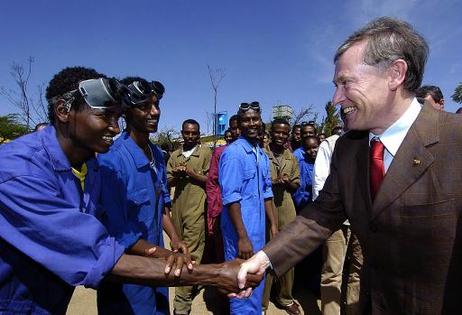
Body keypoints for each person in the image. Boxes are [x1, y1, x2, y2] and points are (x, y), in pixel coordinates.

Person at [238, 17, 462, 314]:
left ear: (395, 74)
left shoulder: (454, 140)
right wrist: (264, 259)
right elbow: (320, 215)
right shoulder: (348, 148)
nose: (336, 98)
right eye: (335, 85)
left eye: (346, 83)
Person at [0, 66, 258, 315]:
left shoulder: (90, 164)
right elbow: (100, 251)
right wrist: (215, 273)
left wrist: (173, 245)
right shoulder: (19, 171)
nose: (114, 127)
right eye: (105, 116)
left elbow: (159, 204)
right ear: (63, 111)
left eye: (116, 117)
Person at [96, 77, 188, 314]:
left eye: (156, 105)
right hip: (127, 273)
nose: (155, 112)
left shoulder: (157, 154)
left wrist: (175, 240)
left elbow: (162, 204)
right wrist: (164, 253)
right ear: (126, 111)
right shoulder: (111, 160)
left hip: (157, 263)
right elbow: (117, 232)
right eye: (145, 106)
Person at [219, 101, 278, 314]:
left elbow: (267, 193)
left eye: (255, 119)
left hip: (259, 232)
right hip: (240, 233)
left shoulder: (260, 153)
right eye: (246, 120)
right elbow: (231, 198)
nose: (252, 123)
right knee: (241, 282)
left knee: (256, 278)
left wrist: (274, 226)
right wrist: (242, 237)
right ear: (239, 124)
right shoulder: (233, 153)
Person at [312, 126, 363, 315]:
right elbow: (320, 183)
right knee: (332, 273)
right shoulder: (331, 144)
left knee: (358, 271)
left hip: (362, 219)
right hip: (336, 220)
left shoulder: (371, 141)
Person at [167, 119, 212, 315]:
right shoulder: (175, 155)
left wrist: (191, 173)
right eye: (187, 133)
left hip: (196, 209)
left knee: (191, 253)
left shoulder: (205, 153)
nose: (190, 136)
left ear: (199, 134)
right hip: (178, 207)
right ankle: (191, 284)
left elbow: (211, 180)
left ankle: (181, 304)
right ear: (182, 133)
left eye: (194, 133)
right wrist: (177, 175)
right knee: (177, 248)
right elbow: (167, 180)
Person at [262, 118, 301, 315]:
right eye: (278, 132)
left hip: (286, 207)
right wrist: (272, 182)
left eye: (285, 133)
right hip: (265, 208)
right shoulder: (261, 154)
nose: (281, 136)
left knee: (287, 254)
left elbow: (296, 185)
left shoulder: (291, 157)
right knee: (265, 254)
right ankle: (262, 301)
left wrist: (286, 182)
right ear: (271, 131)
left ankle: (285, 297)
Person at [205, 114, 240, 263]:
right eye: (234, 128)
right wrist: (214, 210)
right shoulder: (221, 152)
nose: (237, 131)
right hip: (225, 208)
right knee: (226, 247)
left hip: (249, 210)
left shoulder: (257, 152)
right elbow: (212, 182)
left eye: (240, 127)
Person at [292, 135, 319, 211]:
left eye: (315, 147)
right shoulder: (301, 164)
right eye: (308, 148)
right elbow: (301, 189)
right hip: (305, 205)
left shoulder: (325, 163)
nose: (312, 151)